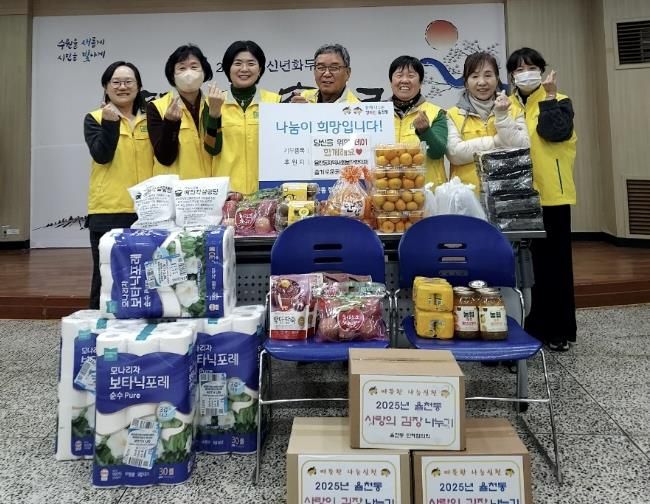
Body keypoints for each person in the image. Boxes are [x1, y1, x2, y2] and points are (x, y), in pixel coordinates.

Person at [507, 47, 578, 352]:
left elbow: (554, 132)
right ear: (512, 76)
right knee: (524, 267)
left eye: (531, 68)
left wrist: (548, 97)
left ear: (542, 70)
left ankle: (558, 329)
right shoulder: (506, 104)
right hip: (516, 197)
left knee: (555, 265)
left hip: (552, 195)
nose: (526, 74)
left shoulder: (559, 100)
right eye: (519, 69)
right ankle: (529, 326)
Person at [83, 61, 153, 309]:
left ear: (139, 86)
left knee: (145, 274)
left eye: (128, 82)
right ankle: (97, 325)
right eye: (116, 82)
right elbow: (101, 155)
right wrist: (110, 123)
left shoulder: (150, 118)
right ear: (106, 87)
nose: (122, 87)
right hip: (109, 210)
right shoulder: (94, 118)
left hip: (147, 211)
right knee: (106, 275)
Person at [203, 40, 281, 195]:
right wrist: (214, 114)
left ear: (260, 69)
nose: (244, 69)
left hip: (266, 194)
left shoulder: (274, 102)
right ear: (228, 68)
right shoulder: (213, 101)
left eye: (251, 63)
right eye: (237, 63)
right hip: (228, 194)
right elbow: (212, 149)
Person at [446, 51, 530, 189]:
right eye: (475, 76)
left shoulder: (514, 110)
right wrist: (496, 142)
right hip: (467, 195)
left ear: (497, 79)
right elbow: (455, 154)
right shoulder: (452, 114)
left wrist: (502, 116)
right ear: (466, 82)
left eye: (488, 75)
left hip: (507, 193)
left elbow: (523, 147)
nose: (482, 82)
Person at [147, 44, 213, 179]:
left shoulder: (215, 104)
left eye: (194, 67)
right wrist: (170, 123)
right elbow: (165, 158)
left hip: (211, 187)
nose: (189, 73)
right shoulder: (157, 107)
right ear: (172, 75)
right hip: (177, 188)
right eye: (182, 68)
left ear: (204, 72)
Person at [389, 55, 447, 187]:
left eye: (411, 76)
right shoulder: (377, 114)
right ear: (391, 81)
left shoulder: (436, 113)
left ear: (420, 82)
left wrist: (425, 131)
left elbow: (437, 152)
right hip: (388, 191)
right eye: (399, 75)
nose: (404, 80)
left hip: (427, 192)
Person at [290, 44, 359, 103]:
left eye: (334, 68)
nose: (326, 74)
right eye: (321, 67)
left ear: (347, 73)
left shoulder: (356, 108)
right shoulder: (305, 97)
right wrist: (294, 111)